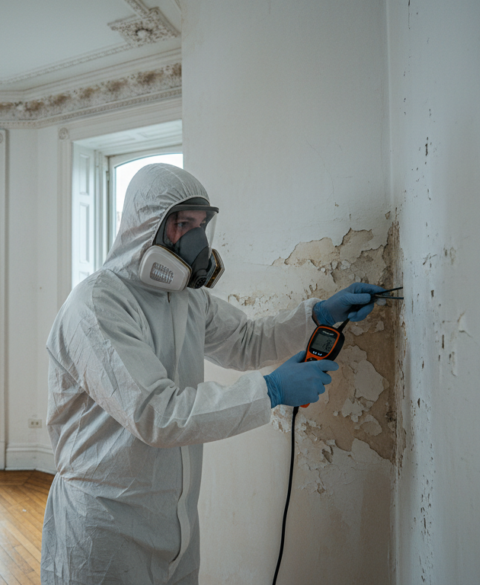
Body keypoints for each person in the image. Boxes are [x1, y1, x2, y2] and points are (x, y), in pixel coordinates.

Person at [40, 164, 385, 584]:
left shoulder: (185, 299)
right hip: (105, 524)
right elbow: (156, 414)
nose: (195, 239)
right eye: (183, 224)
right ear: (144, 226)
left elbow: (246, 341)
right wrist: (271, 391)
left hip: (176, 519)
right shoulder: (97, 305)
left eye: (201, 225)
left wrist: (317, 315)